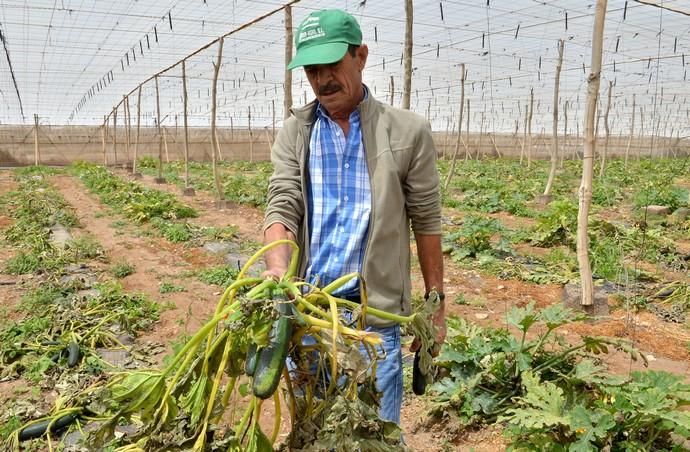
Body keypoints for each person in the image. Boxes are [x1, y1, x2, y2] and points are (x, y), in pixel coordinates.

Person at [262, 8, 445, 425]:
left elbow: (426, 219)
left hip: (373, 321)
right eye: (312, 69)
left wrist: (436, 302)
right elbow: (283, 203)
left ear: (360, 57)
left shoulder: (406, 132)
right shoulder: (296, 132)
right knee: (312, 431)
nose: (321, 79)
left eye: (332, 65)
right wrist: (278, 271)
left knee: (375, 434)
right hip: (307, 310)